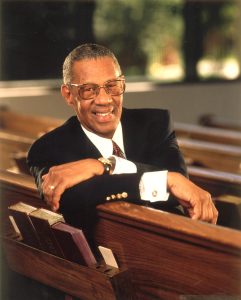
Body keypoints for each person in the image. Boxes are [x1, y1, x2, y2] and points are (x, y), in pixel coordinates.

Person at [27, 43, 218, 232]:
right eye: (89, 89)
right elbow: (74, 198)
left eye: (112, 86)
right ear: (68, 95)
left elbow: (181, 191)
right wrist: (165, 180)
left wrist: (103, 165)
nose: (104, 99)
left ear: (123, 84)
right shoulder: (47, 148)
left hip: (171, 240)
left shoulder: (155, 122)